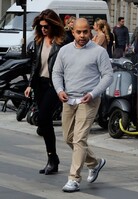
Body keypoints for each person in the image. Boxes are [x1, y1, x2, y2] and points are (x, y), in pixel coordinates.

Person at [52, 18, 113, 192]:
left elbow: (108, 76)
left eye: (85, 31)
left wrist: (93, 93)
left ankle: (74, 179)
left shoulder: (99, 52)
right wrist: (59, 90)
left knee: (79, 139)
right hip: (69, 100)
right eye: (78, 32)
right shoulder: (64, 51)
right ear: (73, 32)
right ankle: (95, 163)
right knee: (68, 138)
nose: (82, 35)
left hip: (89, 100)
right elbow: (57, 73)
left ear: (90, 32)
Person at [24, 9, 65, 175]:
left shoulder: (63, 42)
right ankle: (52, 158)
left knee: (43, 118)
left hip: (54, 85)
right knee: (44, 121)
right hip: (40, 84)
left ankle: (52, 159)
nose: (43, 29)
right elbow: (35, 65)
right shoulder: (38, 40)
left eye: (46, 26)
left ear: (54, 25)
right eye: (41, 26)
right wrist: (29, 85)